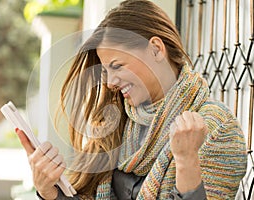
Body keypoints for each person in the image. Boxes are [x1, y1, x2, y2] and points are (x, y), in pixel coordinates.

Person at [15, 0, 247, 199]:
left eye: (117, 66)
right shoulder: (118, 120)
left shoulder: (216, 128)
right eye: (106, 70)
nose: (110, 82)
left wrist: (187, 161)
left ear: (156, 49)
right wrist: (49, 191)